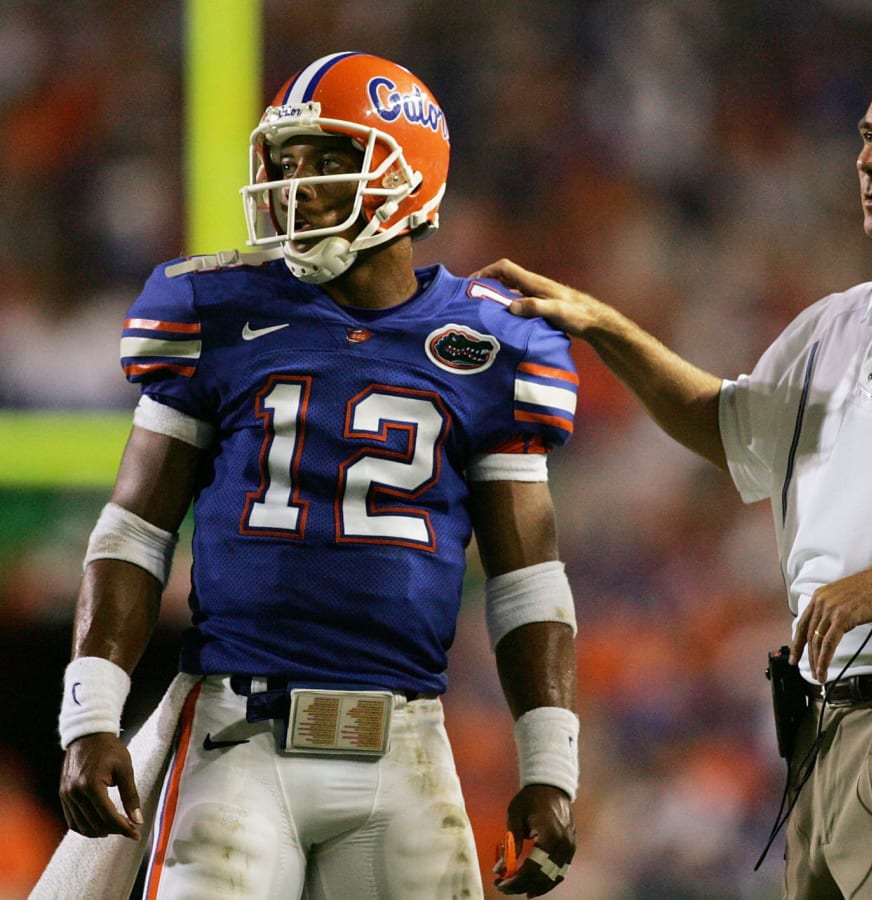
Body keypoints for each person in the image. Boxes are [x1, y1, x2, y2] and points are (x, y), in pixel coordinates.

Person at [474, 31, 872, 900]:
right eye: (868, 136)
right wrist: (607, 328)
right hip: (827, 722)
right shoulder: (835, 324)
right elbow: (727, 426)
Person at [43, 52, 580, 900]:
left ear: (410, 175)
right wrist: (91, 713)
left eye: (329, 159)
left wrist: (551, 768)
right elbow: (135, 529)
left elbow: (529, 577)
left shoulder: (494, 344)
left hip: (405, 744)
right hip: (237, 738)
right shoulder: (213, 308)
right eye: (286, 162)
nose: (297, 186)